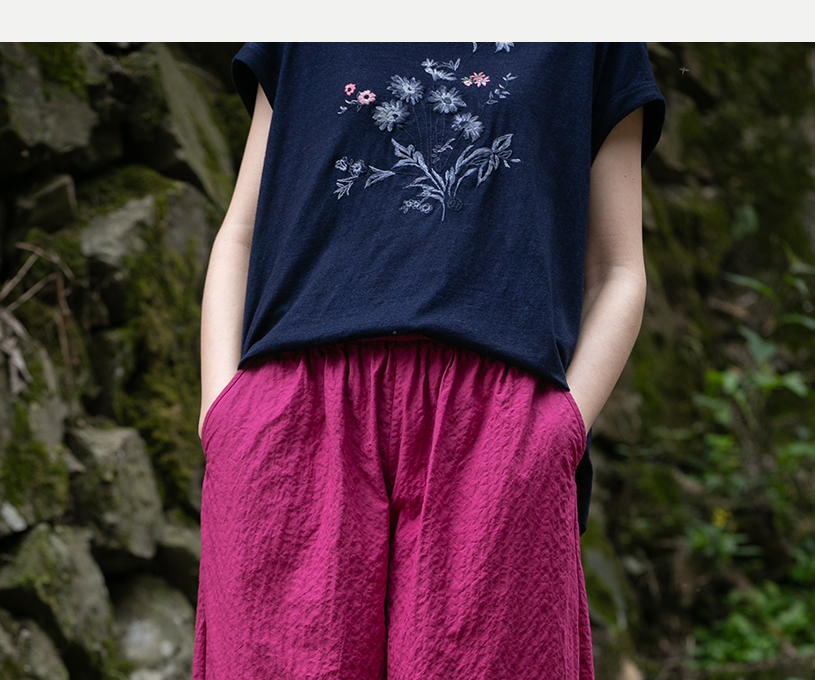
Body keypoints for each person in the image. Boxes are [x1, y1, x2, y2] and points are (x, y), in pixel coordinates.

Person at [193, 42, 665, 680]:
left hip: (492, 426)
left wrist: (560, 429)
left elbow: (617, 269)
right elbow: (242, 232)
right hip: (294, 417)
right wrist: (222, 415)